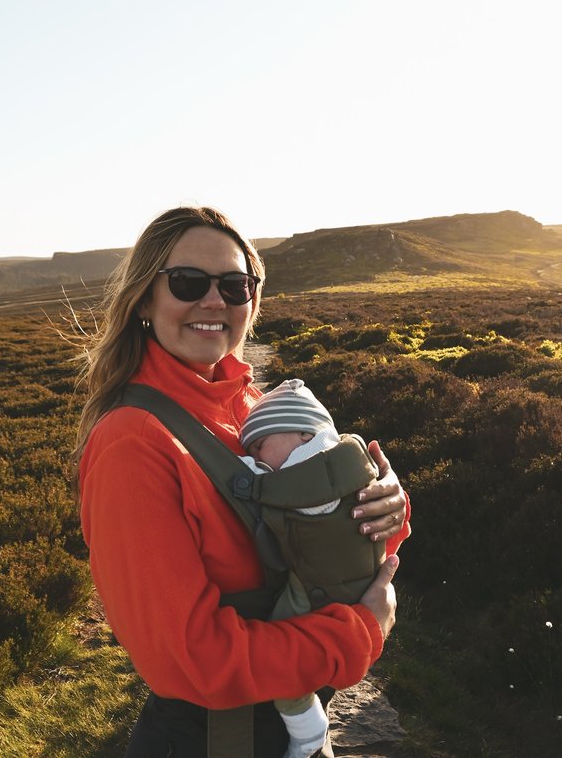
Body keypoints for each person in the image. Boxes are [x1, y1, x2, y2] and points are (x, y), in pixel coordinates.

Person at [73, 206, 410, 758]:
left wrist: (381, 509)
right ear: (144, 299)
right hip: (212, 741)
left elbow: (313, 528)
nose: (215, 301)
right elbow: (193, 661)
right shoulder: (131, 443)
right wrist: (358, 633)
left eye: (235, 285)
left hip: (279, 731)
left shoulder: (253, 408)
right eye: (187, 282)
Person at [237, 378, 387, 758]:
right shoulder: (346, 451)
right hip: (363, 576)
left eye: (259, 446)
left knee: (279, 659)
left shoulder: (310, 465)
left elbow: (277, 493)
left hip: (317, 589)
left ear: (305, 434)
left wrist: (245, 473)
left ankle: (307, 730)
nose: (258, 458)